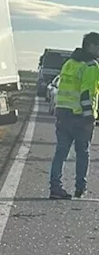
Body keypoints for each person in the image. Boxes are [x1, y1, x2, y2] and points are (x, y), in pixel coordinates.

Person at [49, 32, 99, 199]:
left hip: (63, 114)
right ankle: (80, 188)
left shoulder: (69, 63)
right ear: (90, 46)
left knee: (61, 153)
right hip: (80, 117)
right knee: (82, 152)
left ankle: (55, 188)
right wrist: (89, 117)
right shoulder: (91, 66)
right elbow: (86, 94)